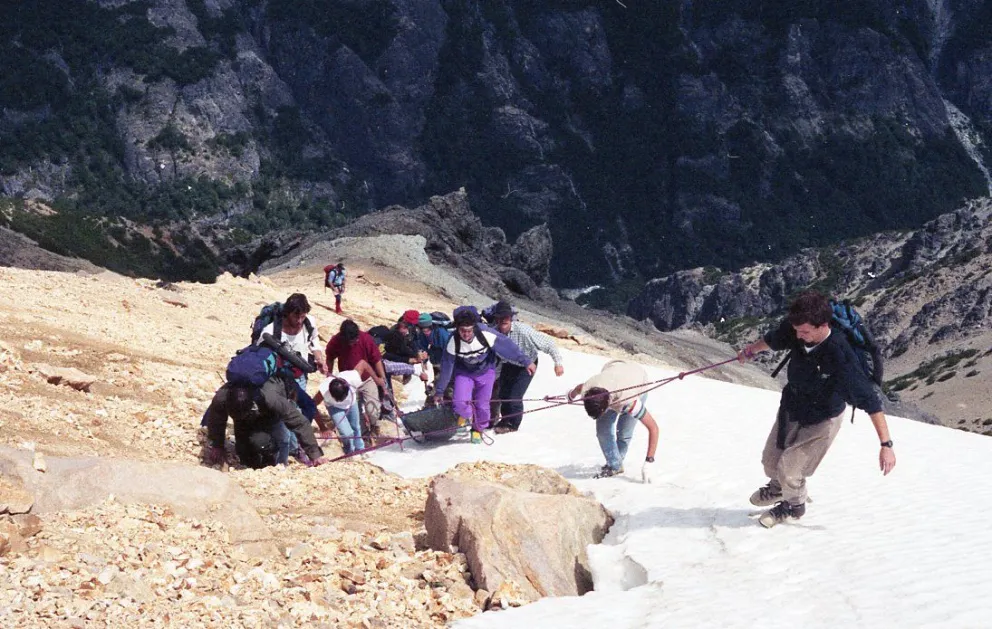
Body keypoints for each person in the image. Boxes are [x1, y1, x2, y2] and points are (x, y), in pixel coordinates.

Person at [737, 290, 896, 528]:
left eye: (805, 332)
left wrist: (886, 446)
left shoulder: (841, 356)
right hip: (793, 405)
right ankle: (780, 488)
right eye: (797, 330)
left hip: (823, 417)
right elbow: (773, 340)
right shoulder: (797, 328)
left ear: (823, 326)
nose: (798, 336)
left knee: (791, 471)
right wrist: (751, 350)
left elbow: (871, 402)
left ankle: (794, 506)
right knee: (771, 463)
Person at [434, 306, 534, 444]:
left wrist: (526, 361)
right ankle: (467, 416)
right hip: (464, 373)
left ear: (474, 326)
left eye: (469, 330)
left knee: (483, 407)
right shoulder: (453, 341)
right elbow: (447, 366)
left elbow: (507, 347)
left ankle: (477, 430)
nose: (466, 334)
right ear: (457, 328)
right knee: (460, 403)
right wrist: (439, 391)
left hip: (486, 372)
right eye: (462, 330)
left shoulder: (485, 333)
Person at [203, 377, 327, 468]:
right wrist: (217, 445)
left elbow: (299, 422)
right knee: (243, 451)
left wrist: (315, 455)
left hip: (268, 414)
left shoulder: (271, 398)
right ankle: (251, 465)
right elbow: (216, 420)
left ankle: (271, 462)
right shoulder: (222, 397)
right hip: (248, 413)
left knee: (262, 441)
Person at [567, 360, 660, 481]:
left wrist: (649, 461)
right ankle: (615, 465)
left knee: (624, 432)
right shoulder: (588, 390)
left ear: (607, 405)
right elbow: (578, 388)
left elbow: (653, 428)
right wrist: (570, 395)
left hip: (638, 379)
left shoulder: (630, 401)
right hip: (616, 367)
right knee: (602, 431)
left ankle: (615, 465)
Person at [483, 300, 565, 434]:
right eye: (500, 317)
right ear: (496, 318)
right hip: (507, 364)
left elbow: (548, 343)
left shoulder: (524, 331)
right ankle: (505, 419)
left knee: (515, 396)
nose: (503, 320)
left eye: (506, 317)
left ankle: (513, 425)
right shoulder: (493, 333)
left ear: (511, 318)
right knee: (504, 393)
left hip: (527, 365)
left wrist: (558, 363)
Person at [325, 319, 388, 435]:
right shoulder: (336, 341)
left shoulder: (366, 339)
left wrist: (381, 379)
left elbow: (376, 359)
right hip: (348, 383)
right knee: (356, 413)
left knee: (372, 410)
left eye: (355, 340)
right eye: (351, 342)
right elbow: (330, 357)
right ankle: (364, 434)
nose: (354, 343)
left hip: (367, 378)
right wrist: (328, 375)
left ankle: (374, 425)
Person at [313, 359, 381, 455]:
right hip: (334, 407)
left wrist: (376, 379)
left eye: (341, 398)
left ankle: (360, 449)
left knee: (356, 428)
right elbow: (312, 405)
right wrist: (322, 427)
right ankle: (349, 452)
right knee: (346, 433)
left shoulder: (352, 378)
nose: (340, 401)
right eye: (337, 398)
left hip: (351, 403)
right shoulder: (324, 389)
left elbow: (363, 363)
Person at [255, 293, 327, 383]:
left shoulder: (309, 323)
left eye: (303, 316)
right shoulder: (271, 331)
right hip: (278, 379)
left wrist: (319, 359)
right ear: (287, 313)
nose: (300, 321)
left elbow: (314, 342)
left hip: (301, 376)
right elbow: (260, 354)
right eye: (296, 316)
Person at [383, 310, 433, 394]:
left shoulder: (412, 328)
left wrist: (417, 352)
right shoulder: (394, 333)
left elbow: (412, 342)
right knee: (387, 387)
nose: (406, 329)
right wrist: (411, 358)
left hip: (402, 358)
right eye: (405, 327)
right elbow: (399, 350)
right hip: (391, 360)